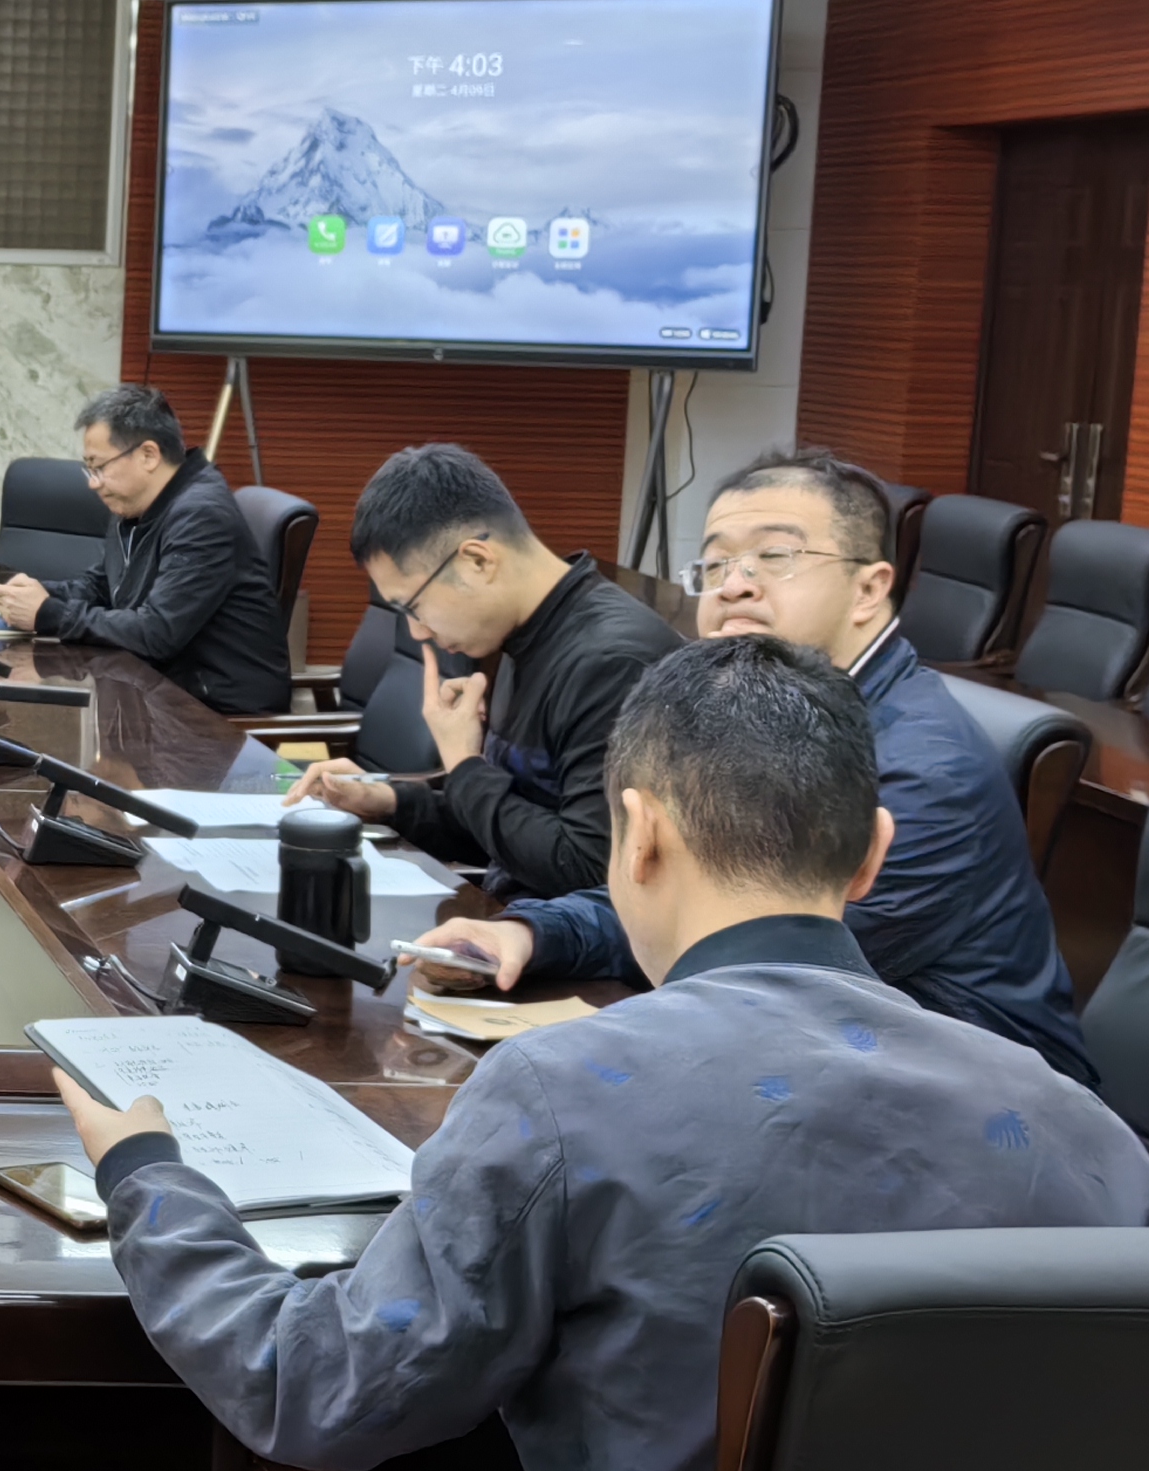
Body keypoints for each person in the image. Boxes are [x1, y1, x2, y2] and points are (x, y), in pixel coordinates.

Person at [60, 634, 1149, 1471]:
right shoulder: (1091, 1139)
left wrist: (148, 1176)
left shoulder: (563, 1092)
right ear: (871, 854)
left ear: (635, 836)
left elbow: (308, 1392)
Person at [412, 445, 1093, 1079]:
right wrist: (532, 933)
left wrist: (548, 936)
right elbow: (700, 903)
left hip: (981, 1107)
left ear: (868, 589)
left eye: (774, 557)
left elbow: (752, 944)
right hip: (829, 1062)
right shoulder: (759, 712)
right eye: (715, 565)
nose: (734, 586)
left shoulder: (923, 773)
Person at [289, 441, 679, 896]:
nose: (416, 631)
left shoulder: (614, 664)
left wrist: (464, 765)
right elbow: (508, 826)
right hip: (504, 915)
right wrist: (388, 801)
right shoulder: (522, 633)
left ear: (478, 561)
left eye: (412, 606)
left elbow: (588, 868)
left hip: (552, 934)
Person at [0, 382, 292, 716]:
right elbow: (102, 586)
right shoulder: (135, 505)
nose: (93, 482)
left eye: (99, 466)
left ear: (148, 455)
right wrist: (37, 595)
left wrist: (49, 614)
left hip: (215, 713)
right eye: (89, 468)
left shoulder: (201, 515)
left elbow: (158, 632)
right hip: (158, 692)